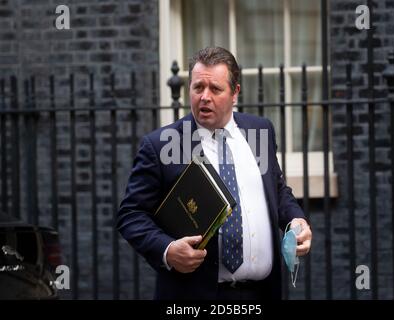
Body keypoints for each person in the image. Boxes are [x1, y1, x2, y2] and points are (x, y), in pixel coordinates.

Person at [117, 46, 312, 300]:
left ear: (235, 93)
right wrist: (167, 249)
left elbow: (277, 190)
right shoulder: (161, 145)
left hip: (262, 293)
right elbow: (131, 215)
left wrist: (295, 220)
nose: (204, 97)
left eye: (215, 89)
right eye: (198, 87)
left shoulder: (260, 131)